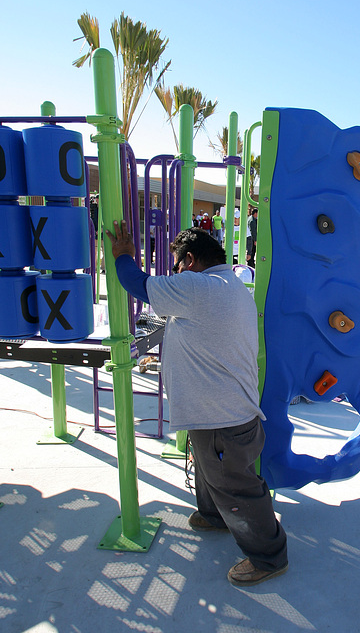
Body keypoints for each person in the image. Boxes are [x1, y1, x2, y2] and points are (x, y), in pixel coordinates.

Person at [105, 221, 288, 587]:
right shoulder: (229, 284)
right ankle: (215, 515)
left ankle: (269, 557)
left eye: (175, 267)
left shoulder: (197, 287)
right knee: (209, 471)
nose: (173, 275)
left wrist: (123, 256)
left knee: (235, 487)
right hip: (221, 416)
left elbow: (136, 283)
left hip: (223, 420)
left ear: (189, 261)